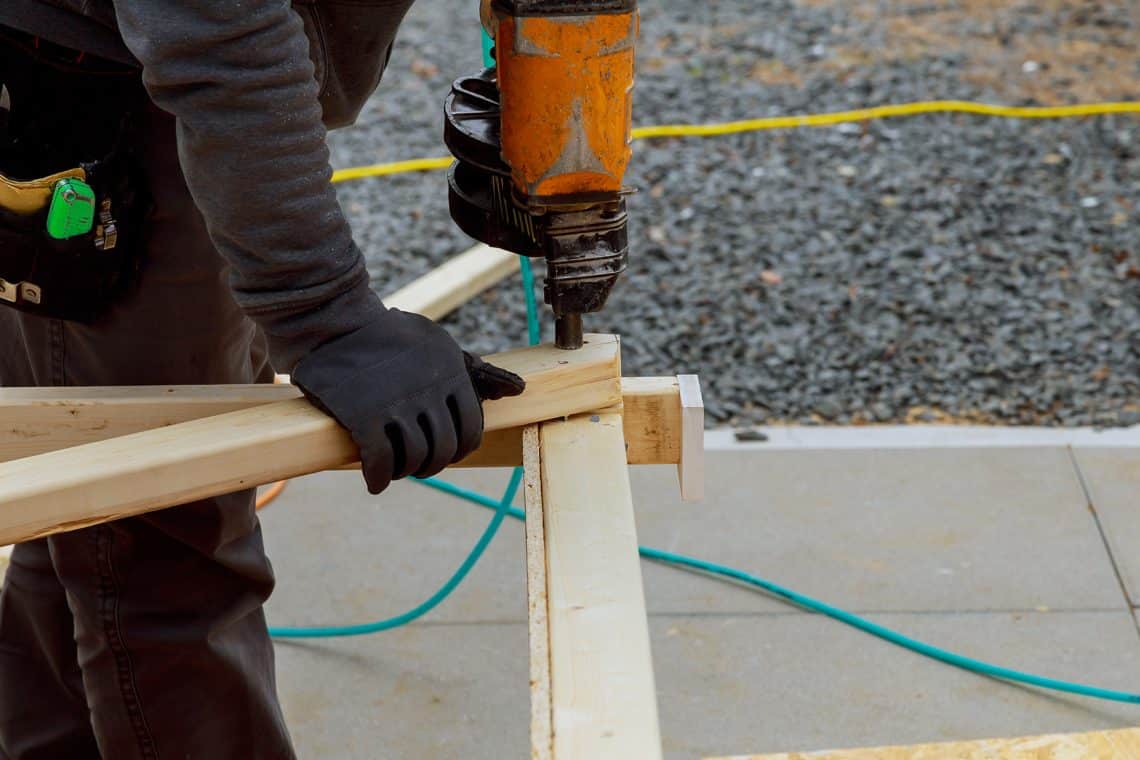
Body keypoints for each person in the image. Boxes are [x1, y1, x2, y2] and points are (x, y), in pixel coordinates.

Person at [0, 2, 524, 757]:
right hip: (105, 92)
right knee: (161, 543)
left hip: (153, 80)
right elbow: (216, 38)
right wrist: (327, 315)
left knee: (85, 510)